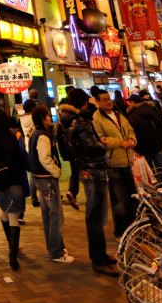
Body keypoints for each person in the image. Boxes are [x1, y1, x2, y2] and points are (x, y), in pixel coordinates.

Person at [58, 88, 118, 276]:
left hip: (84, 168)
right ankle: (98, 260)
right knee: (95, 216)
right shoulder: (80, 122)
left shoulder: (65, 121)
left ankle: (100, 255)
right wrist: (104, 144)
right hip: (93, 169)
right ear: (84, 103)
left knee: (95, 214)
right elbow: (92, 146)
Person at [28, 104, 73, 263]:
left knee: (48, 214)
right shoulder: (43, 136)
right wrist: (56, 171)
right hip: (47, 178)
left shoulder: (35, 133)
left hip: (40, 178)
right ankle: (56, 252)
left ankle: (53, 247)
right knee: (56, 215)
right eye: (47, 115)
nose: (50, 117)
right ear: (42, 118)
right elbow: (45, 158)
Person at [0, 109, 26, 270]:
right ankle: (13, 255)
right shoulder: (12, 137)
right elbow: (18, 160)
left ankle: (10, 244)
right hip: (14, 180)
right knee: (14, 216)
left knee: (4, 211)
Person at [92, 89, 137, 239]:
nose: (108, 101)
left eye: (109, 98)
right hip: (112, 164)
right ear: (97, 102)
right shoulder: (97, 118)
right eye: (104, 99)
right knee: (118, 199)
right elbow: (100, 139)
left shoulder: (118, 114)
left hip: (127, 161)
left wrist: (132, 140)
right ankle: (120, 231)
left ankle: (134, 227)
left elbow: (130, 130)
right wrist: (119, 143)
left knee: (132, 197)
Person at [126, 93, 162, 175]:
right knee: (161, 169)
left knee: (149, 172)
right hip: (157, 145)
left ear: (133, 102)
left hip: (143, 149)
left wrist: (136, 148)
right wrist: (161, 141)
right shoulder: (152, 110)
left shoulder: (132, 117)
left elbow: (132, 133)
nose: (129, 104)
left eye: (130, 102)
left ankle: (154, 186)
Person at [56, 101, 80, 211]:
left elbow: (59, 139)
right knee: (78, 171)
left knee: (74, 171)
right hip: (78, 150)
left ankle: (72, 192)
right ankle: (72, 192)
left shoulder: (60, 122)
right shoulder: (76, 119)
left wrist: (63, 154)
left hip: (68, 151)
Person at [19, 98, 39, 207]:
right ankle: (40, 196)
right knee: (37, 172)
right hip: (35, 144)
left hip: (27, 145)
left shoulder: (21, 119)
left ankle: (33, 197)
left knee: (32, 173)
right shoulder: (34, 118)